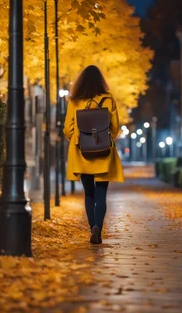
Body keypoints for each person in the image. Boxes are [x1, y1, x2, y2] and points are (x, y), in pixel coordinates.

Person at [64, 65, 124, 244]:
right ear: (100, 81)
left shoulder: (75, 100)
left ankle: (92, 228)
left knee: (88, 194)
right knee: (101, 194)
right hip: (103, 151)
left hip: (82, 152)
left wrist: (79, 138)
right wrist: (105, 139)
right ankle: (98, 226)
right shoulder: (108, 98)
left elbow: (68, 128)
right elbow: (115, 127)